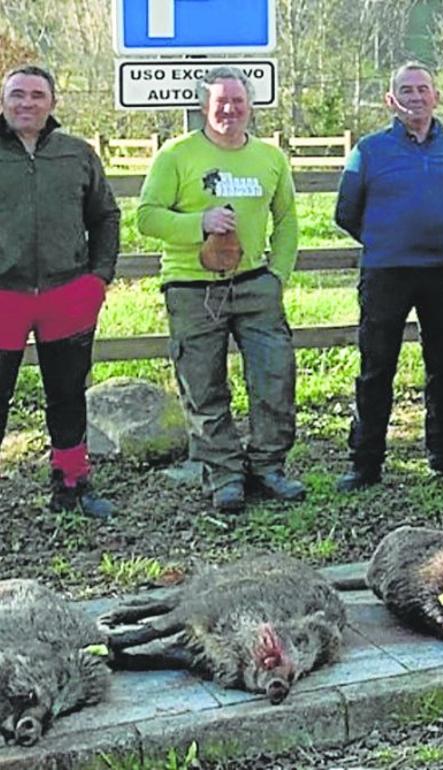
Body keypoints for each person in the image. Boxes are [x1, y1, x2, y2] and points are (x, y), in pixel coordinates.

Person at [137, 66, 303, 512]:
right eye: (219, 103)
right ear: (204, 107)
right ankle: (224, 474)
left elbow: (286, 220)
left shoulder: (270, 158)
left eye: (237, 102)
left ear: (250, 106)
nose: (229, 109)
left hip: (255, 285)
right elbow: (147, 216)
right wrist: (199, 224)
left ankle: (268, 467)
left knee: (274, 378)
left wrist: (278, 275)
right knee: (204, 386)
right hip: (193, 288)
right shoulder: (176, 155)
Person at [333, 63, 443, 492]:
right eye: (406, 90)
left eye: (423, 89)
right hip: (386, 272)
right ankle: (366, 462)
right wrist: (388, 239)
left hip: (441, 269)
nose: (415, 96)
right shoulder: (369, 151)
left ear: (436, 97)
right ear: (391, 99)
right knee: (377, 367)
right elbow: (346, 212)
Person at [0, 65, 120, 518]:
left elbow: (106, 216)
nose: (26, 103)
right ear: (3, 100)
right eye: (16, 95)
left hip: (66, 293)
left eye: (36, 95)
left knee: (68, 393)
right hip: (3, 296)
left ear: (52, 103)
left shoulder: (76, 154)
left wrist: (98, 277)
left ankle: (71, 484)